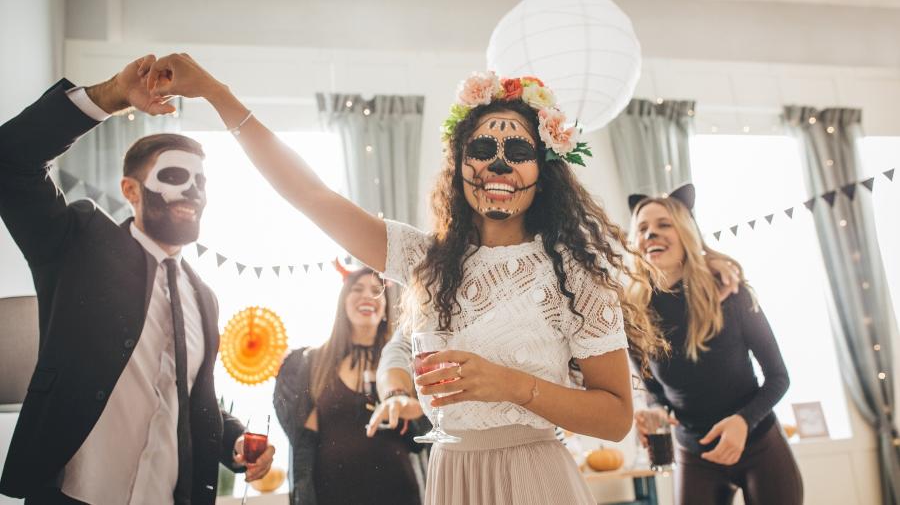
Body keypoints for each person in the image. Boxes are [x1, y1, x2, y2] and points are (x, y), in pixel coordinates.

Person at [145, 54, 659, 504]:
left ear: (543, 172)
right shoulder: (424, 260)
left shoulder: (575, 278)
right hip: (451, 477)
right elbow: (311, 196)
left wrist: (512, 385)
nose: (498, 164)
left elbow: (615, 418)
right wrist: (217, 94)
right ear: (459, 166)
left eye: (518, 153)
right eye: (482, 150)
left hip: (535, 479)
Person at [0, 55, 274, 504]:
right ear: (131, 190)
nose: (192, 191)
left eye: (201, 182)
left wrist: (235, 441)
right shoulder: (79, 246)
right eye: (174, 176)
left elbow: (187, 397)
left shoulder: (203, 297)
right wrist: (108, 95)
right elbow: (10, 160)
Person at [628, 185, 803, 505]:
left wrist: (742, 421)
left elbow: (779, 377)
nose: (651, 233)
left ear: (686, 232)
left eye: (663, 224)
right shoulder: (634, 313)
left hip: (759, 443)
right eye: (642, 228)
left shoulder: (732, 293)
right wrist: (654, 410)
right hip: (694, 454)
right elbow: (653, 389)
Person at [273, 266, 425, 505]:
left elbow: (422, 437)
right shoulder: (312, 362)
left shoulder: (403, 363)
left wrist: (414, 409)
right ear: (343, 302)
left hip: (398, 492)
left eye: (377, 290)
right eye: (358, 289)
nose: (367, 295)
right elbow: (303, 444)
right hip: (333, 494)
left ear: (386, 308)